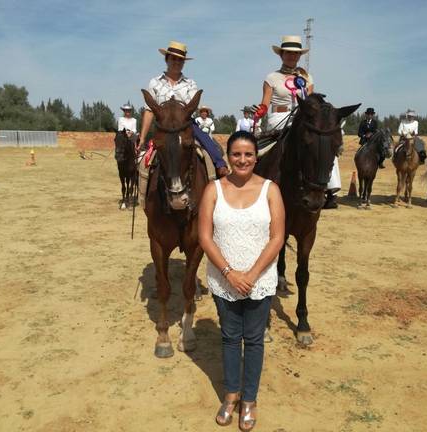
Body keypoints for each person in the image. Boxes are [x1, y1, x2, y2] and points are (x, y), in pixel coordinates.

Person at [198, 131, 285, 431]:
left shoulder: (271, 190)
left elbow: (277, 238)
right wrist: (229, 273)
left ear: (256, 157)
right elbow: (205, 237)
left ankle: (249, 399)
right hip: (224, 281)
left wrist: (251, 275)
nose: (242, 159)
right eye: (236, 154)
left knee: (255, 339)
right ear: (228, 156)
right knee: (230, 337)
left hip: (259, 280)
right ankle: (231, 394)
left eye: (248, 154)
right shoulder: (213, 190)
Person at [138, 41, 228, 177]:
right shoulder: (154, 82)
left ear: (184, 62)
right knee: (143, 164)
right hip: (163, 127)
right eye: (173, 58)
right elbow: (149, 111)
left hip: (185, 125)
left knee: (205, 141)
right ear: (167, 59)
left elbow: (191, 107)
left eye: (180, 60)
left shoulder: (190, 83)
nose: (176, 62)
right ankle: (142, 191)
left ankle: (220, 165)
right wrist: (143, 138)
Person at [253, 36, 314, 133]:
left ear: (299, 56)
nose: (292, 55)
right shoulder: (271, 78)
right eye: (288, 52)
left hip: (302, 117)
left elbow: (310, 103)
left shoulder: (307, 78)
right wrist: (258, 112)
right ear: (281, 55)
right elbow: (265, 105)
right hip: (278, 118)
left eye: (296, 53)